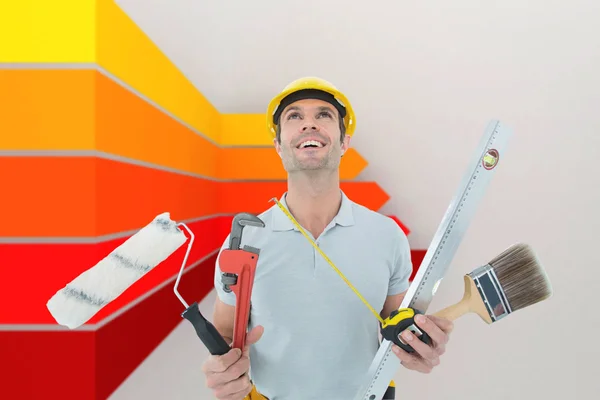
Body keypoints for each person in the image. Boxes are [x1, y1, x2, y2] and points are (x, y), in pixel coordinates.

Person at [201, 77, 454, 400]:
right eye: (294, 116)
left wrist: (422, 347)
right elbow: (224, 331)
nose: (309, 124)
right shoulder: (244, 240)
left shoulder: (385, 235)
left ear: (344, 141)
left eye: (323, 115)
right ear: (278, 145)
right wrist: (221, 371)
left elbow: (397, 327)